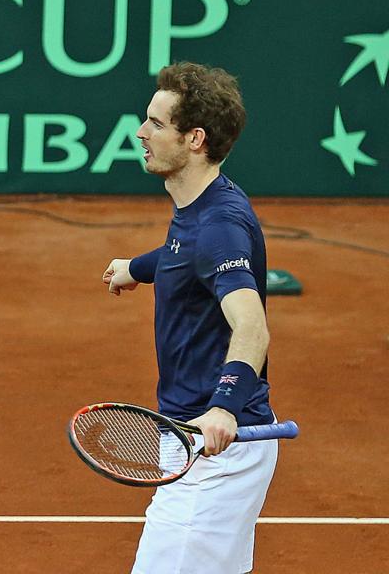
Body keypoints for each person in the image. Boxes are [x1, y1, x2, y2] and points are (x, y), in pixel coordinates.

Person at [101, 61, 278, 574]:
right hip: (197, 442)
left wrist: (223, 407)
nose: (140, 132)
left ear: (194, 139)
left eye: (157, 124)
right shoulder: (199, 210)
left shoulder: (219, 225)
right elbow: (182, 252)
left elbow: (252, 327)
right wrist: (137, 267)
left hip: (211, 451)